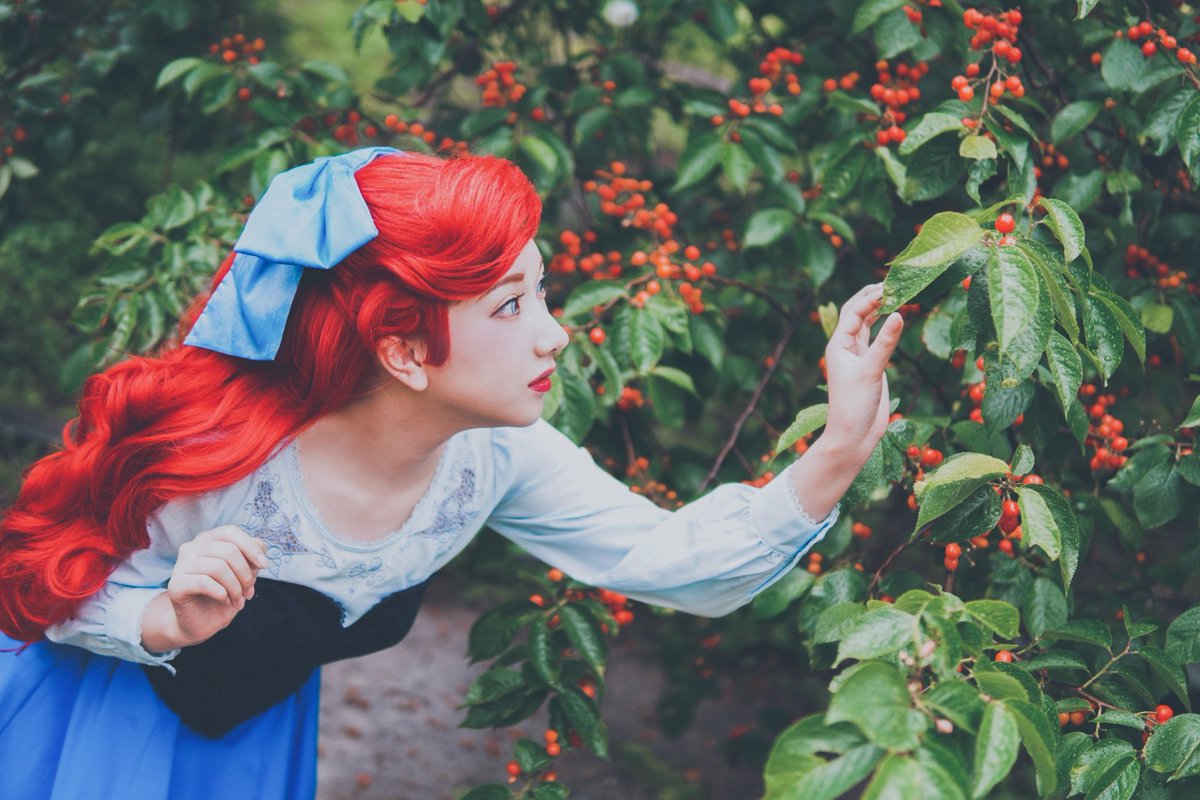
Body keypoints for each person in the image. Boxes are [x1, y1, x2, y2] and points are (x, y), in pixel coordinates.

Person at [0, 147, 902, 798]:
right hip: (90, 713)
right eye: (511, 306)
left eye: (541, 292)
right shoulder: (224, 456)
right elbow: (40, 581)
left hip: (249, 740)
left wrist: (836, 455)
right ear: (402, 350)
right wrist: (159, 615)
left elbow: (665, 558)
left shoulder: (494, 457)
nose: (554, 331)